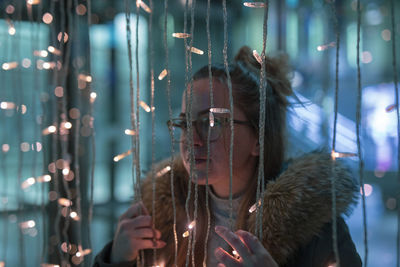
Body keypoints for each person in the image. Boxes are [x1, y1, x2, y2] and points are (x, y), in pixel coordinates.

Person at [94, 46, 362, 267]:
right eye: (186, 123)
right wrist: (117, 259)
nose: (193, 139)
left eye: (212, 123)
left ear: (258, 138)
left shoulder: (313, 226)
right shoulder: (162, 218)